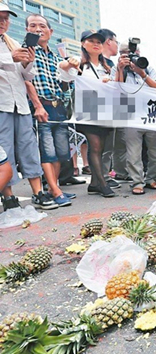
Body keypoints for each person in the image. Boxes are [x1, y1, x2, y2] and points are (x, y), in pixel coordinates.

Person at [0, 3, 57, 210]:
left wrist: (28, 62)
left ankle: (38, 192)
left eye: (6, 18)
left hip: (21, 105)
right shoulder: (10, 49)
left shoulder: (12, 42)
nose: (3, 22)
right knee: (4, 151)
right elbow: (8, 62)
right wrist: (10, 58)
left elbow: (25, 76)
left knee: (29, 148)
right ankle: (8, 196)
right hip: (2, 105)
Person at [24, 14, 75, 207]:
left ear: (50, 32)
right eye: (33, 25)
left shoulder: (55, 57)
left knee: (61, 152)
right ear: (27, 29)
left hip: (58, 107)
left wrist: (68, 71)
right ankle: (54, 190)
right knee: (47, 152)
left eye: (42, 26)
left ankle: (56, 187)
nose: (38, 29)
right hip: (41, 107)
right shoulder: (26, 51)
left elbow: (62, 86)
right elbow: (26, 81)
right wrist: (37, 106)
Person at [59, 30, 115, 197]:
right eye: (91, 41)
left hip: (105, 110)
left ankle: (94, 184)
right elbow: (64, 76)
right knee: (95, 146)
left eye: (99, 41)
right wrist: (68, 64)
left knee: (101, 147)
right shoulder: (79, 64)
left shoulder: (107, 66)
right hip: (87, 109)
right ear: (83, 43)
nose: (96, 44)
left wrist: (109, 81)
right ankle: (102, 184)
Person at [112, 43, 156, 195]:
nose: (132, 57)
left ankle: (152, 179)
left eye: (134, 53)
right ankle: (137, 181)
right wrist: (121, 69)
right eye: (126, 54)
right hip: (130, 116)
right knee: (133, 152)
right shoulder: (117, 69)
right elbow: (116, 91)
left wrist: (143, 74)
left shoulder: (148, 68)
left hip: (151, 114)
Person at [97, 28, 126, 187]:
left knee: (109, 146)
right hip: (99, 108)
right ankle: (100, 178)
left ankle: (105, 176)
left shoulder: (111, 64)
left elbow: (118, 86)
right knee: (99, 147)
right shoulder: (96, 62)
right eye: (116, 41)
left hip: (111, 108)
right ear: (109, 42)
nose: (117, 45)